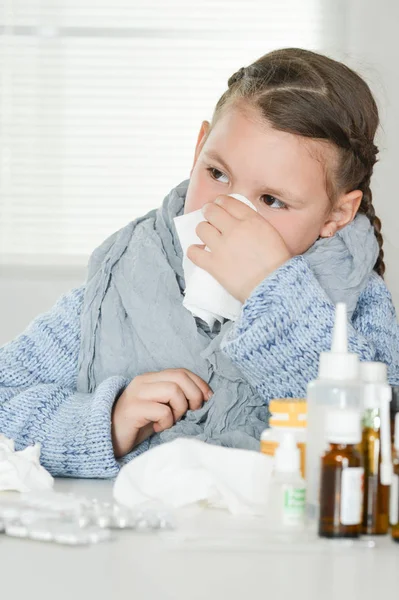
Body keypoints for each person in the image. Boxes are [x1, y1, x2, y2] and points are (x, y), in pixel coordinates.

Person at [1, 48, 398, 478]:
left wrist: (274, 290)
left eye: (271, 200)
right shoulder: (123, 279)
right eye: (218, 174)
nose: (228, 211)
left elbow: (378, 443)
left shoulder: (356, 298)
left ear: (336, 214)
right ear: (198, 148)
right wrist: (108, 421)